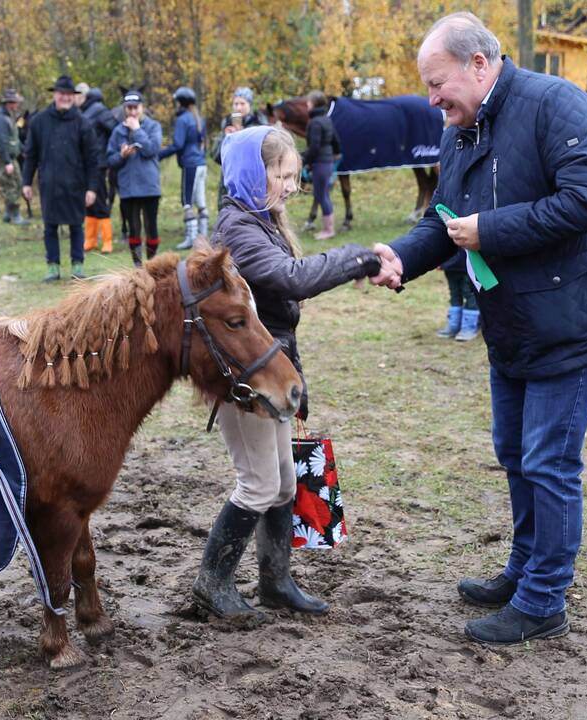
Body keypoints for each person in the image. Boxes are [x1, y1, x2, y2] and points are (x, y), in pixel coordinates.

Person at [371, 12, 587, 645]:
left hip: (569, 322)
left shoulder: (558, 105)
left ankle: (545, 599)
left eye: (438, 83)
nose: (432, 99)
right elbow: (444, 219)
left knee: (549, 462)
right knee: (516, 454)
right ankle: (525, 571)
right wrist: (402, 258)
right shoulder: (461, 129)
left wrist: (491, 230)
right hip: (512, 325)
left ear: (479, 65)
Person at [193, 125, 380, 620]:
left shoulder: (261, 221)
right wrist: (357, 259)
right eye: (282, 175)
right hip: (247, 379)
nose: (292, 186)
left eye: (295, 176)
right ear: (254, 174)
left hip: (272, 369)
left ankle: (276, 582)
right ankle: (212, 585)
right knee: (257, 484)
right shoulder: (238, 229)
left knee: (281, 485)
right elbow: (290, 280)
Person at [21, 75, 101, 282]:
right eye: (62, 94)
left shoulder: (83, 123)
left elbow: (93, 159)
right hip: (49, 183)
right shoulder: (39, 122)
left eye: (69, 95)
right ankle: (53, 266)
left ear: (74, 97)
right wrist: (26, 182)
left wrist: (92, 188)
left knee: (76, 225)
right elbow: (31, 155)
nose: (65, 98)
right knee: (50, 226)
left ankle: (77, 264)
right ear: (55, 95)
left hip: (76, 184)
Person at [106, 90, 162, 267]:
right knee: (134, 228)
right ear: (124, 109)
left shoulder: (153, 127)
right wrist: (122, 155)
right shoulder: (117, 131)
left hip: (149, 186)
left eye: (136, 107)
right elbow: (110, 160)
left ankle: (152, 265)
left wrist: (137, 130)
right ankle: (138, 266)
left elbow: (151, 149)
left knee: (151, 227)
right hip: (128, 188)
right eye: (129, 108)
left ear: (142, 108)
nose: (132, 112)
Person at [159, 86, 207, 250]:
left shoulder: (182, 119)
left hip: (190, 164)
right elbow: (202, 143)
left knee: (187, 201)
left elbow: (178, 144)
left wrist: (160, 154)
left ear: (180, 102)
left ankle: (192, 239)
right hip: (201, 163)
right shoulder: (199, 118)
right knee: (200, 201)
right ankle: (204, 236)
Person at [210, 86, 268, 211]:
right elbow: (216, 155)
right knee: (227, 211)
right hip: (229, 177)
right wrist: (226, 139)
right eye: (235, 104)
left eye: (242, 103)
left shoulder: (259, 123)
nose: (238, 108)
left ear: (250, 105)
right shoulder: (227, 123)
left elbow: (261, 153)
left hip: (251, 178)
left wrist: (241, 135)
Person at [80, 87, 118, 254]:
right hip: (89, 162)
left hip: (99, 163)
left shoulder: (100, 111)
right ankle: (90, 240)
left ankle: (107, 241)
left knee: (100, 200)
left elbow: (115, 130)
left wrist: (108, 150)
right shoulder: (86, 111)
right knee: (90, 202)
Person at [301, 90, 341, 241]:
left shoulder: (316, 122)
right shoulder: (326, 119)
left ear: (314, 104)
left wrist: (303, 160)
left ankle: (328, 230)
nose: (307, 105)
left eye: (308, 102)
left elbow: (315, 148)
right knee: (323, 194)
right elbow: (336, 140)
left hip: (320, 163)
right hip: (327, 162)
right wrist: (336, 153)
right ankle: (328, 228)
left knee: (321, 195)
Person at [0, 89, 28, 226]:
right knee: (10, 185)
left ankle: (7, 213)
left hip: (10, 156)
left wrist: (24, 150)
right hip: (3, 158)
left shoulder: (8, 117)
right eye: (16, 102)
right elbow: (0, 142)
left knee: (17, 182)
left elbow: (14, 139)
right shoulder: (0, 119)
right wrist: (7, 162)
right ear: (9, 103)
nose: (17, 104)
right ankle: (15, 216)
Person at [436, 248, 481, 341]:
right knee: (454, 294)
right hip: (450, 265)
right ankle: (454, 325)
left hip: (469, 264)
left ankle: (469, 326)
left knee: (470, 294)